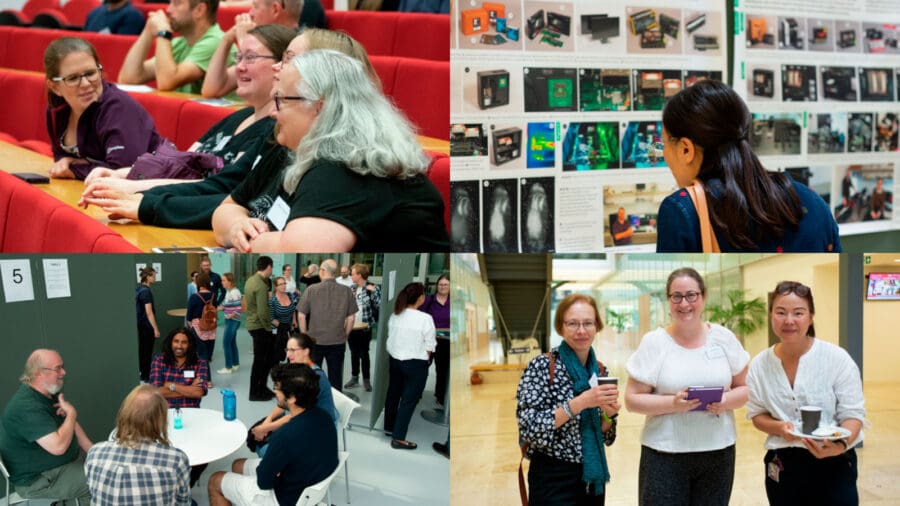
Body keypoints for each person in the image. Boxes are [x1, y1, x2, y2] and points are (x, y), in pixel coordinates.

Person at [79, 28, 376, 230]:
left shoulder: (335, 165)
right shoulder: (278, 135)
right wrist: (132, 188)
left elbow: (236, 198)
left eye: (288, 60)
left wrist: (143, 200)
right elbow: (227, 192)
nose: (277, 70)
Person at [211, 49, 449, 252]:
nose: (273, 112)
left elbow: (300, 250)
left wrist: (249, 241)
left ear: (319, 107)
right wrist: (236, 227)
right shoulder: (289, 148)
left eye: (281, 100)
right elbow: (228, 207)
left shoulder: (347, 166)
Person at [656, 80, 841, 252]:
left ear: (686, 149)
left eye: (663, 144)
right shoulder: (811, 201)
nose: (663, 153)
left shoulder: (681, 211)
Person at [624, 268, 749, 505]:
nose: (684, 304)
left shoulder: (723, 338)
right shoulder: (655, 343)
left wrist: (724, 402)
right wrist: (673, 403)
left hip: (717, 453)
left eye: (691, 295)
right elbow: (631, 400)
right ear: (668, 300)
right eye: (677, 296)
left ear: (703, 297)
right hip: (664, 454)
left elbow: (746, 389)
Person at [746, 281, 866, 505]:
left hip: (834, 458)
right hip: (782, 462)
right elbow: (757, 415)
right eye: (780, 312)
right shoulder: (759, 364)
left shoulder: (836, 358)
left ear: (811, 317)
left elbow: (853, 414)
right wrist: (779, 428)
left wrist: (838, 446)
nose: (789, 320)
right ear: (771, 315)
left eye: (798, 313)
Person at [516, 294, 618, 504]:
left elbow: (605, 436)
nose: (581, 330)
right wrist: (580, 403)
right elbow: (529, 428)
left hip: (592, 475)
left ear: (597, 326)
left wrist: (609, 416)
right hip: (552, 476)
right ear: (560, 328)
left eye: (588, 323)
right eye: (572, 323)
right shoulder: (542, 367)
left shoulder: (600, 370)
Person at [208, 363, 338, 506]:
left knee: (215, 480)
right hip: (310, 484)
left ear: (293, 398)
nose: (275, 392)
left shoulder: (284, 435)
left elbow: (263, 483)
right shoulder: (325, 417)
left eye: (277, 388)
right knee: (238, 465)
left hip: (285, 499)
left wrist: (275, 472)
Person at [43, 37, 163, 180]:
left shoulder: (120, 109)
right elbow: (60, 158)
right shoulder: (56, 110)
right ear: (55, 87)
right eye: (73, 78)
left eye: (90, 73)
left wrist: (74, 169)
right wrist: (66, 163)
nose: (86, 83)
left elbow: (122, 171)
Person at [0, 350, 94, 505]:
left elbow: (70, 425)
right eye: (57, 368)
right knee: (97, 481)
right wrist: (71, 414)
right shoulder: (27, 407)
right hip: (38, 480)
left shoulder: (49, 392)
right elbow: (58, 447)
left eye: (62, 367)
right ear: (38, 374)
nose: (63, 372)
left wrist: (93, 450)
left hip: (60, 465)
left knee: (106, 467)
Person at [85, 385, 191, 506]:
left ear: (124, 413)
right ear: (159, 420)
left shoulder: (94, 453)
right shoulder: (176, 459)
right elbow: (183, 502)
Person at [250, 333, 338, 457]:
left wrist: (267, 427)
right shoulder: (297, 372)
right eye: (287, 350)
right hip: (299, 420)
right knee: (255, 435)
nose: (288, 355)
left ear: (306, 351)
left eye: (292, 350)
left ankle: (276, 468)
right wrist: (268, 420)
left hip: (316, 428)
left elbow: (298, 414)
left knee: (262, 445)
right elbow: (285, 401)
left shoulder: (315, 378)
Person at [117, 0, 225, 94]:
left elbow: (166, 82)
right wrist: (148, 31)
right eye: (170, 3)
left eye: (177, 3)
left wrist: (163, 32)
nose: (168, 9)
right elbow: (128, 78)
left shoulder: (216, 42)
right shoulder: (179, 42)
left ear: (199, 10)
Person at [201, 0, 302, 98]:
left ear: (275, 10)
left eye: (256, 6)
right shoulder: (266, 48)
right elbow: (211, 90)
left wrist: (245, 41)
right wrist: (227, 39)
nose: (250, 13)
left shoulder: (301, 50)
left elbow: (264, 99)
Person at [384, 282, 436, 450]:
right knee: (408, 400)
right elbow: (430, 346)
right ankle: (398, 439)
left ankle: (389, 428)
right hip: (416, 364)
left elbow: (391, 340)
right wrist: (424, 359)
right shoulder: (425, 319)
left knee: (393, 394)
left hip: (395, 360)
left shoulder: (395, 315)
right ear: (420, 298)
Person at [297, 259, 357, 392]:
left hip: (314, 341)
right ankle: (334, 408)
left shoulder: (312, 290)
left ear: (323, 271)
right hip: (337, 341)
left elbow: (301, 315)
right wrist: (345, 335)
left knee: (312, 376)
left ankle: (313, 405)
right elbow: (351, 318)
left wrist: (305, 335)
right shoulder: (346, 291)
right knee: (335, 378)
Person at [150, 327, 211, 409]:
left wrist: (171, 385)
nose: (179, 346)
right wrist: (189, 390)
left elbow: (198, 392)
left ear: (189, 344)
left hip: (191, 412)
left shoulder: (200, 363)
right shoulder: (159, 360)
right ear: (170, 343)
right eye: (176, 341)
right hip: (165, 412)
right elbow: (156, 392)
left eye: (184, 342)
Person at [344, 263, 381, 392]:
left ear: (359, 275)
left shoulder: (372, 287)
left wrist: (374, 292)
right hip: (352, 326)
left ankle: (366, 379)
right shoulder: (351, 288)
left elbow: (379, 305)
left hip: (365, 327)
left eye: (353, 273)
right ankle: (354, 377)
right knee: (354, 353)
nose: (351, 275)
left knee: (364, 353)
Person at [246, 256, 276, 401]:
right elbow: (263, 312)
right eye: (272, 268)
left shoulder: (250, 280)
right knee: (261, 362)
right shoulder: (261, 286)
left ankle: (262, 388)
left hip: (252, 325)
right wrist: (269, 329)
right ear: (269, 267)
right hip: (260, 327)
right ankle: (255, 392)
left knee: (263, 361)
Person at [421, 274, 449, 406]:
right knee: (422, 367)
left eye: (445, 284)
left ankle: (440, 396)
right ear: (436, 286)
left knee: (442, 370)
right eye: (440, 284)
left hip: (446, 342)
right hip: (428, 340)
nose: (442, 287)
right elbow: (420, 318)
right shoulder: (429, 300)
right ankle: (417, 393)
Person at [136, 265, 161, 382]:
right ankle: (146, 376)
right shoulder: (146, 292)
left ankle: (142, 372)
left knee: (142, 350)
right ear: (148, 277)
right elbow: (149, 312)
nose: (155, 278)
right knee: (147, 351)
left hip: (140, 325)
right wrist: (155, 329)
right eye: (153, 276)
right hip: (147, 326)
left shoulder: (138, 289)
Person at [188, 271, 217, 362]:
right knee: (208, 351)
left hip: (198, 327)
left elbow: (189, 315)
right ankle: (208, 363)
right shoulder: (213, 295)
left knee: (200, 354)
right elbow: (214, 308)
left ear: (198, 282)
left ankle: (202, 372)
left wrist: (190, 325)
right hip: (211, 325)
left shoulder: (194, 297)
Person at [269, 276, 298, 364]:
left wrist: (294, 320)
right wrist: (283, 327)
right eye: (280, 284)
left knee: (292, 352)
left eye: (284, 283)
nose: (283, 286)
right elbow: (271, 318)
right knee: (278, 355)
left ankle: (290, 371)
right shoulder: (273, 300)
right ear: (276, 287)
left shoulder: (289, 295)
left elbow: (293, 309)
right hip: (278, 330)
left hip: (290, 328)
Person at [219, 272, 243, 374]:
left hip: (233, 321)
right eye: (222, 280)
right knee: (232, 342)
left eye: (224, 280)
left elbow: (238, 308)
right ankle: (236, 364)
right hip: (230, 320)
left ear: (230, 281)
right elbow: (224, 305)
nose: (222, 282)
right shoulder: (228, 292)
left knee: (226, 343)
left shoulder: (234, 292)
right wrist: (214, 309)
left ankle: (228, 367)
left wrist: (231, 315)